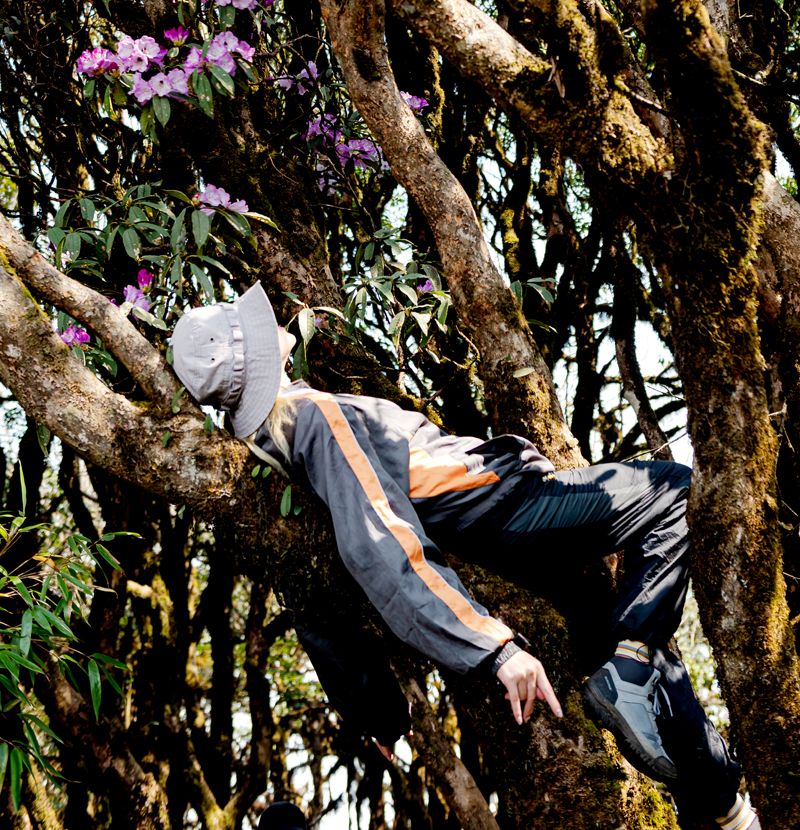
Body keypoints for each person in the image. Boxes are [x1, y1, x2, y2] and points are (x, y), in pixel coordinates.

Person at [172, 281, 759, 830]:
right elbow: (381, 543)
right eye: (254, 325)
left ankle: (725, 805)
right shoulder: (316, 417)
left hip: (490, 525)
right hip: (503, 505)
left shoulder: (276, 454)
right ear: (253, 361)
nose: (275, 321)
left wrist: (375, 709)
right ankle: (632, 677)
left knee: (614, 624)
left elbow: (312, 595)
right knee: (676, 491)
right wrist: (494, 650)